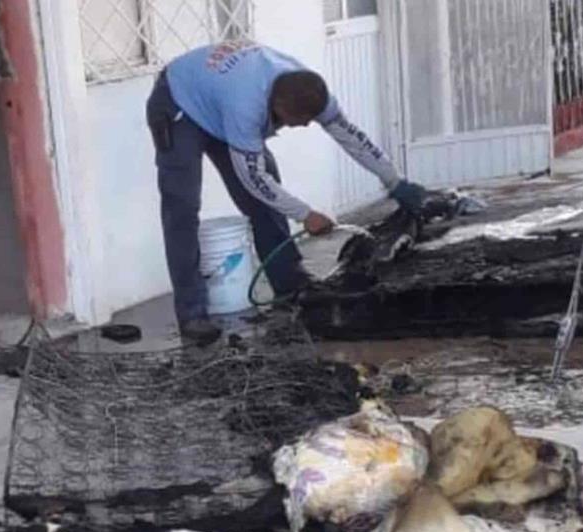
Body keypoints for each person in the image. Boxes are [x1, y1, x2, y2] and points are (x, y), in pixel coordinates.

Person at [147, 41, 426, 344]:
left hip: (218, 95)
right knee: (182, 208)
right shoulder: (246, 106)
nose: (306, 125)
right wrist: (305, 214)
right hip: (179, 103)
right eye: (299, 121)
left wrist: (395, 182)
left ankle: (289, 284)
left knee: (265, 198)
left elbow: (353, 138)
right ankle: (192, 313)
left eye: (310, 119)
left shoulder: (311, 91)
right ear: (277, 108)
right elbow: (254, 178)